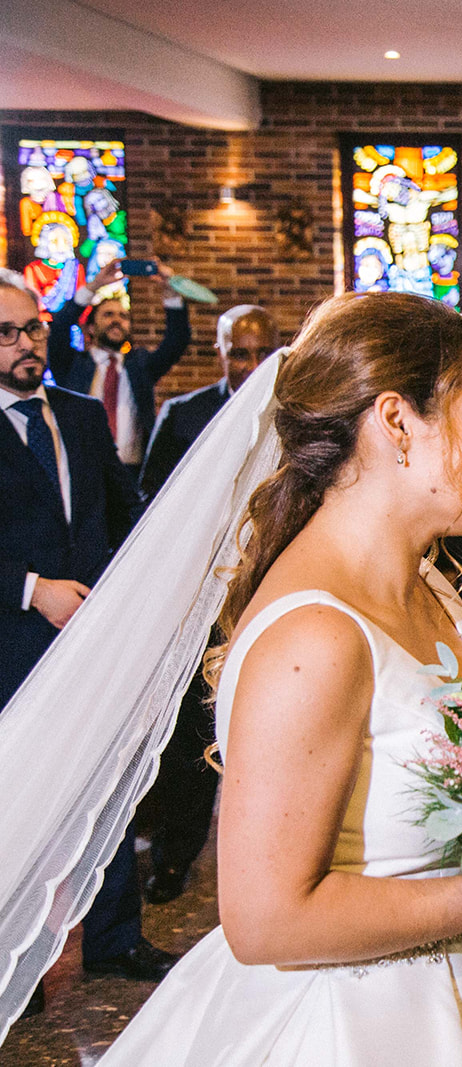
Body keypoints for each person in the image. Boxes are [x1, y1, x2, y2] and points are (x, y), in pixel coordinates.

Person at [88, 292, 462, 1064]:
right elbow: (267, 921)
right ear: (396, 421)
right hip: (349, 1025)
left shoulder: (430, 584)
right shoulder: (316, 636)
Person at [0, 270, 174, 1013]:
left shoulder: (77, 413)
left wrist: (129, 587)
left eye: (33, 328)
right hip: (12, 635)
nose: (26, 344)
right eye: (7, 334)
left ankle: (113, 938)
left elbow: (118, 508)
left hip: (95, 633)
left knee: (108, 783)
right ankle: (17, 955)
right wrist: (31, 588)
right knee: (19, 797)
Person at [134, 305, 280, 905]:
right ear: (218, 353)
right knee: (193, 733)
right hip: (201, 598)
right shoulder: (184, 414)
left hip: (272, 587)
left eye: (258, 352)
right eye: (236, 353)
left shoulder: (300, 413)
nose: (248, 366)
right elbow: (150, 506)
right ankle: (175, 856)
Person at [47, 256, 192, 470]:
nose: (117, 320)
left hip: (131, 471)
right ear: (91, 328)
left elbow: (176, 341)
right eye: (108, 314)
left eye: (123, 316)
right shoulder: (72, 365)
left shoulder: (140, 366)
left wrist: (170, 290)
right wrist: (94, 286)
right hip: (83, 469)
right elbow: (58, 328)